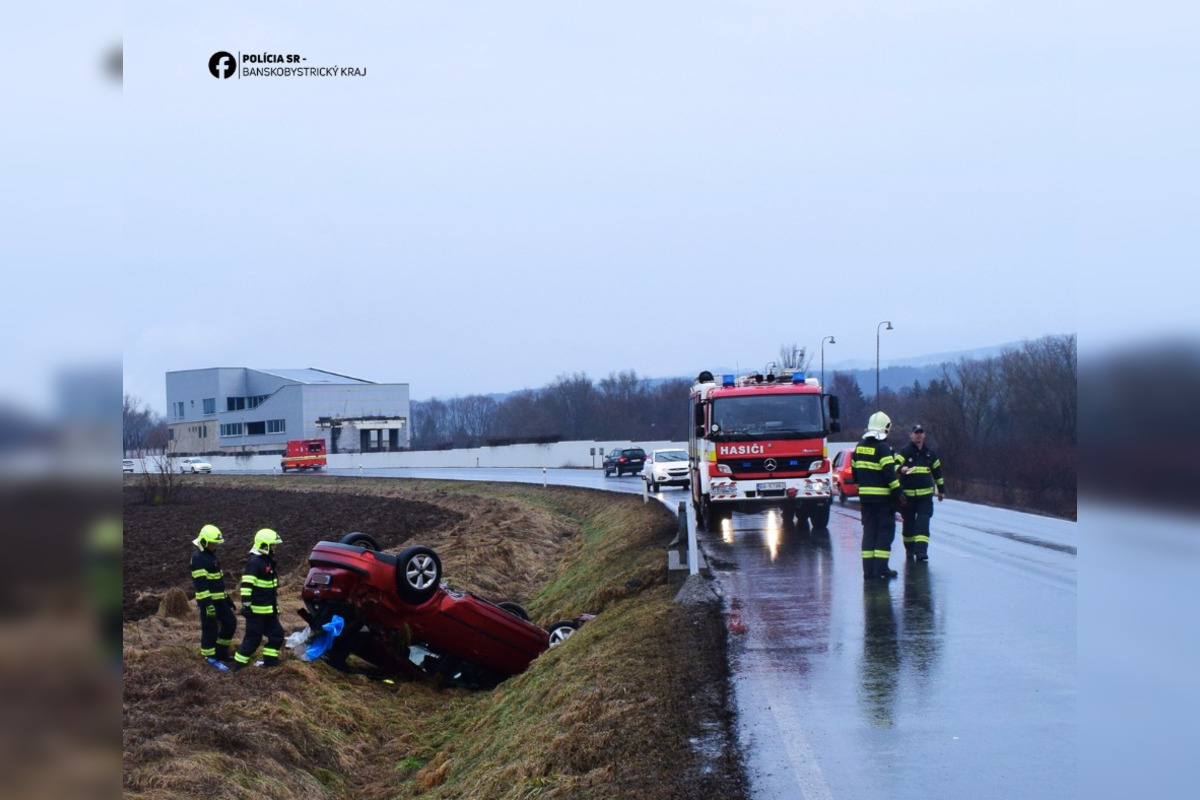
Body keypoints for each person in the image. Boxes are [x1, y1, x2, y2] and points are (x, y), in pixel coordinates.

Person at [851, 411, 906, 580]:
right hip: (883, 500)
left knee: (869, 533)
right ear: (886, 427)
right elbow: (890, 475)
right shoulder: (883, 448)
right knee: (885, 533)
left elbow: (854, 473)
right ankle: (881, 569)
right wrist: (899, 494)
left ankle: (868, 571)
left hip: (866, 500)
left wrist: (862, 491)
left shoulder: (859, 446)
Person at [232, 528, 284, 671]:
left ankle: (270, 662)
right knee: (253, 639)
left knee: (277, 635)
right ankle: (238, 667)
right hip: (256, 612)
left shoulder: (267, 561)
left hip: (268, 610)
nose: (274, 548)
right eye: (272, 545)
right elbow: (246, 586)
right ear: (263, 545)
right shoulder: (255, 562)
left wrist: (275, 608)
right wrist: (247, 606)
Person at [895, 423, 945, 562]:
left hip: (925, 497)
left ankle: (921, 551)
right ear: (911, 435)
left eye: (920, 432)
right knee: (909, 526)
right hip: (908, 498)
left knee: (923, 523)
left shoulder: (930, 454)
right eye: (916, 432)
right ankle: (909, 550)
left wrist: (941, 490)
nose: (918, 435)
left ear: (924, 435)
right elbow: (893, 465)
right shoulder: (904, 452)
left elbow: (938, 473)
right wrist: (901, 469)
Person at [189, 523, 237, 666]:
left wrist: (227, 599)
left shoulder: (211, 556)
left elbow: (217, 581)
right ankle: (208, 658)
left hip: (220, 600)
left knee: (230, 622)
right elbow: (201, 585)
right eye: (212, 542)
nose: (214, 545)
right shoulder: (198, 558)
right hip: (208, 602)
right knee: (210, 628)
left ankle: (220, 653)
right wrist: (207, 604)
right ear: (204, 541)